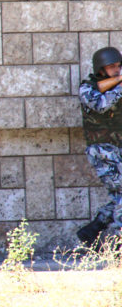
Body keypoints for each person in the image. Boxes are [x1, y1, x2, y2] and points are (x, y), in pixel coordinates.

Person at [76, 47, 122, 246]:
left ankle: (92, 230)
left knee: (118, 196)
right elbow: (100, 105)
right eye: (112, 67)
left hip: (117, 147)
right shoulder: (88, 88)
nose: (116, 70)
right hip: (102, 150)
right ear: (101, 69)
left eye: (119, 66)